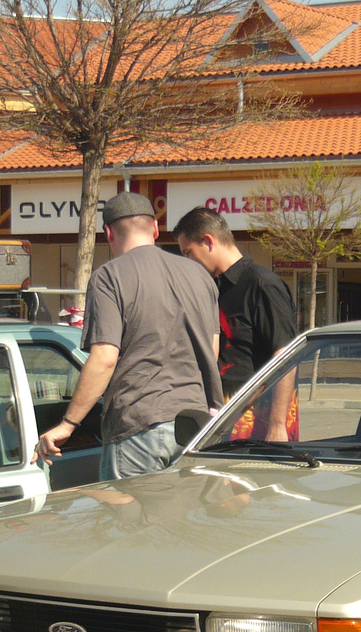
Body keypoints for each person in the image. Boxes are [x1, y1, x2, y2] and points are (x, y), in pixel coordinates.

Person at [37, 193, 222, 478]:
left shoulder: (108, 278)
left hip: (138, 428)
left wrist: (68, 425)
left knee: (128, 523)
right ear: (156, 229)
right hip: (195, 428)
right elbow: (211, 349)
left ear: (108, 233)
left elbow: (105, 359)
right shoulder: (200, 275)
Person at [173, 207, 298, 439]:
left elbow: (286, 355)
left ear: (208, 241)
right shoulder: (216, 288)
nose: (187, 261)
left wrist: (278, 424)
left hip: (262, 425)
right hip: (225, 420)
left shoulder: (262, 285)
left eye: (188, 252)